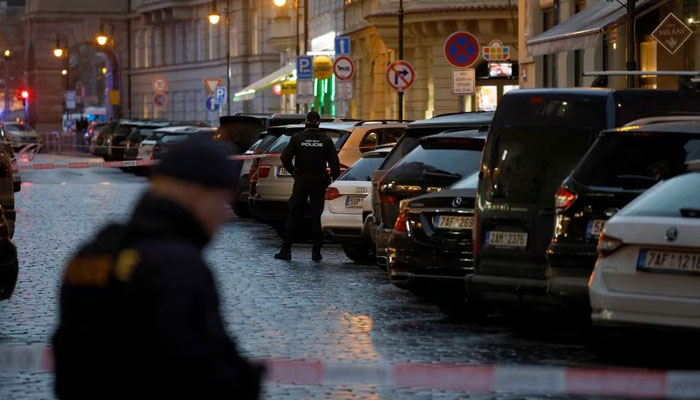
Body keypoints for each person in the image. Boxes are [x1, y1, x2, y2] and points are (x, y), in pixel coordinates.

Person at [52, 137, 263, 400]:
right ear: (195, 193)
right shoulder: (178, 266)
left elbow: (67, 357)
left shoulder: (91, 253)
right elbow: (196, 368)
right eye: (220, 200)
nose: (224, 214)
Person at [275, 111, 340, 262]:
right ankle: (316, 252)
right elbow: (334, 164)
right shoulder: (326, 139)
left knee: (294, 214)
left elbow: (285, 157)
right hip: (319, 179)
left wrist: (293, 172)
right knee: (316, 215)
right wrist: (334, 181)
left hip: (302, 179)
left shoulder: (298, 138)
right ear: (319, 122)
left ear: (306, 121)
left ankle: (286, 250)